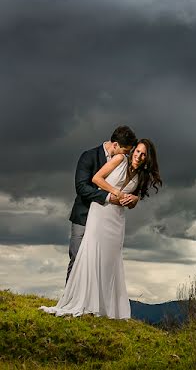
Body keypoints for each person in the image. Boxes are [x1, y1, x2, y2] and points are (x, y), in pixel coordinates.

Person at [41, 137, 162, 319]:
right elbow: (96, 178)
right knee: (92, 254)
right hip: (101, 213)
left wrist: (134, 200)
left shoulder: (141, 176)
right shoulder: (120, 159)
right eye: (137, 151)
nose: (139, 156)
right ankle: (85, 301)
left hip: (118, 220)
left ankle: (107, 307)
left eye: (143, 154)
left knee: (110, 261)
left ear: (147, 158)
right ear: (133, 150)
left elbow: (132, 201)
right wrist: (116, 192)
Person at [65, 126, 138, 283]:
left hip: (106, 220)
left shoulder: (124, 161)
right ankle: (69, 300)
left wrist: (134, 198)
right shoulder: (89, 156)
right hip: (83, 216)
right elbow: (81, 187)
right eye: (125, 151)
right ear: (115, 145)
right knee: (77, 257)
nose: (127, 155)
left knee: (99, 263)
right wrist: (108, 197)